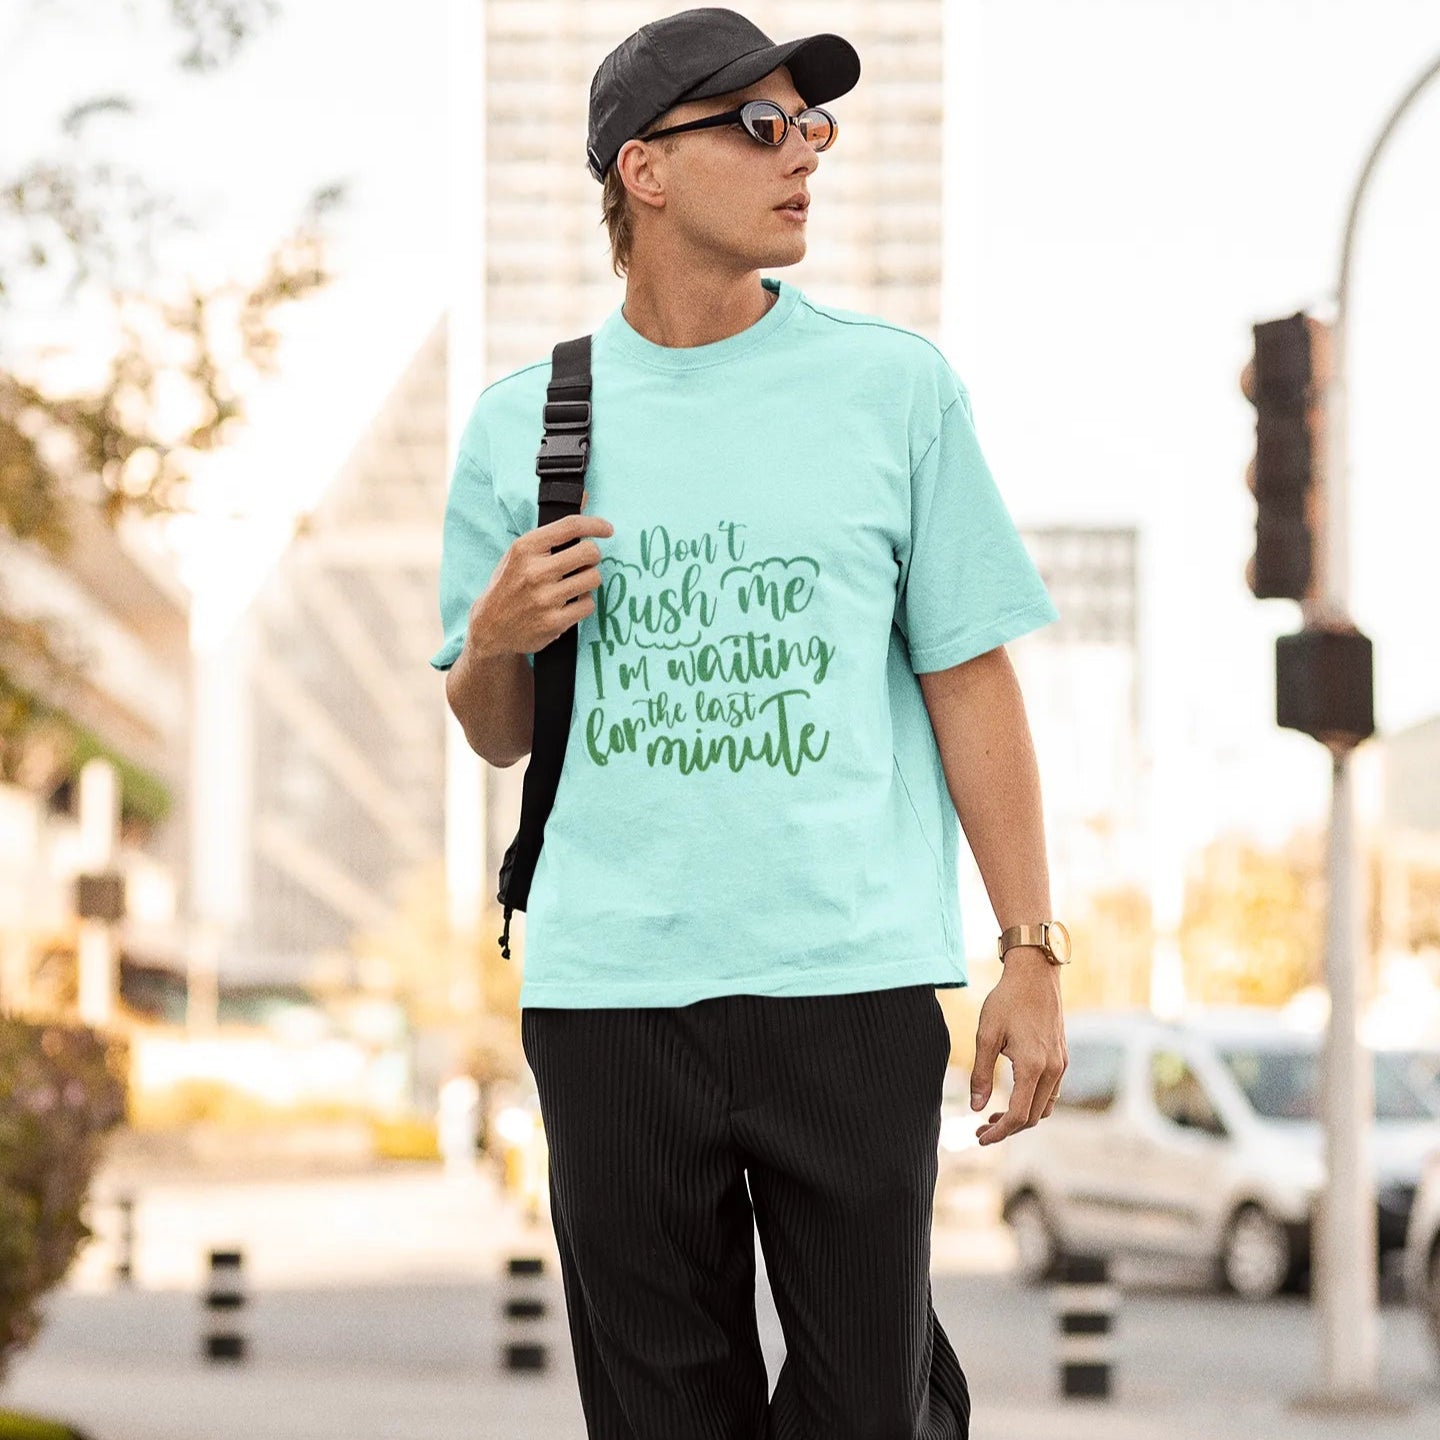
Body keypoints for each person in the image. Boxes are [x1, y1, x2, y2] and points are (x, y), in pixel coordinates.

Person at [431, 9, 1070, 1437]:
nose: (807, 157)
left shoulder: (893, 389)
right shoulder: (524, 424)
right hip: (610, 999)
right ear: (645, 171)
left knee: (868, 1406)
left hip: (846, 984)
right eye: (763, 127)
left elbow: (970, 675)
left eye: (813, 127)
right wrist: (493, 637)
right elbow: (492, 732)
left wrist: (1029, 948)